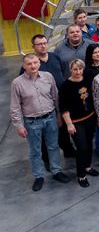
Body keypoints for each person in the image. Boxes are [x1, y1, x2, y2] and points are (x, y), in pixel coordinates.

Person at [12, 54, 70, 191]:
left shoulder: (48, 76)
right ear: (24, 66)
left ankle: (56, 171)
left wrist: (59, 115)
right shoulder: (17, 83)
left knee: (53, 146)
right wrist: (19, 125)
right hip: (32, 122)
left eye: (35, 63)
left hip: (50, 118)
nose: (33, 66)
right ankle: (39, 176)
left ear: (39, 63)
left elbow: (55, 97)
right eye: (29, 64)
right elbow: (15, 106)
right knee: (35, 151)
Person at [59, 59, 99, 187]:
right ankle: (81, 175)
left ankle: (87, 167)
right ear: (70, 70)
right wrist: (69, 124)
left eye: (80, 69)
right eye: (75, 69)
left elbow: (93, 99)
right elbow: (63, 107)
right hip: (76, 122)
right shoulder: (65, 85)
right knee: (81, 148)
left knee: (88, 145)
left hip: (90, 118)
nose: (78, 71)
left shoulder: (88, 81)